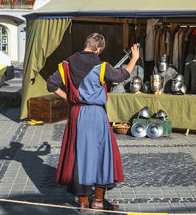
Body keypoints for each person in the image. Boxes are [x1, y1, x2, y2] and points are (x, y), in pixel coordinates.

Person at [47, 33, 139, 212]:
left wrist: (69, 98)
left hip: (77, 113)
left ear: (86, 44)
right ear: (98, 49)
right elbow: (122, 76)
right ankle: (97, 200)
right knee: (101, 156)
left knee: (79, 156)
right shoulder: (102, 66)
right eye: (100, 51)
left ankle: (82, 202)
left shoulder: (67, 64)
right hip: (96, 114)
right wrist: (134, 58)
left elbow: (51, 84)